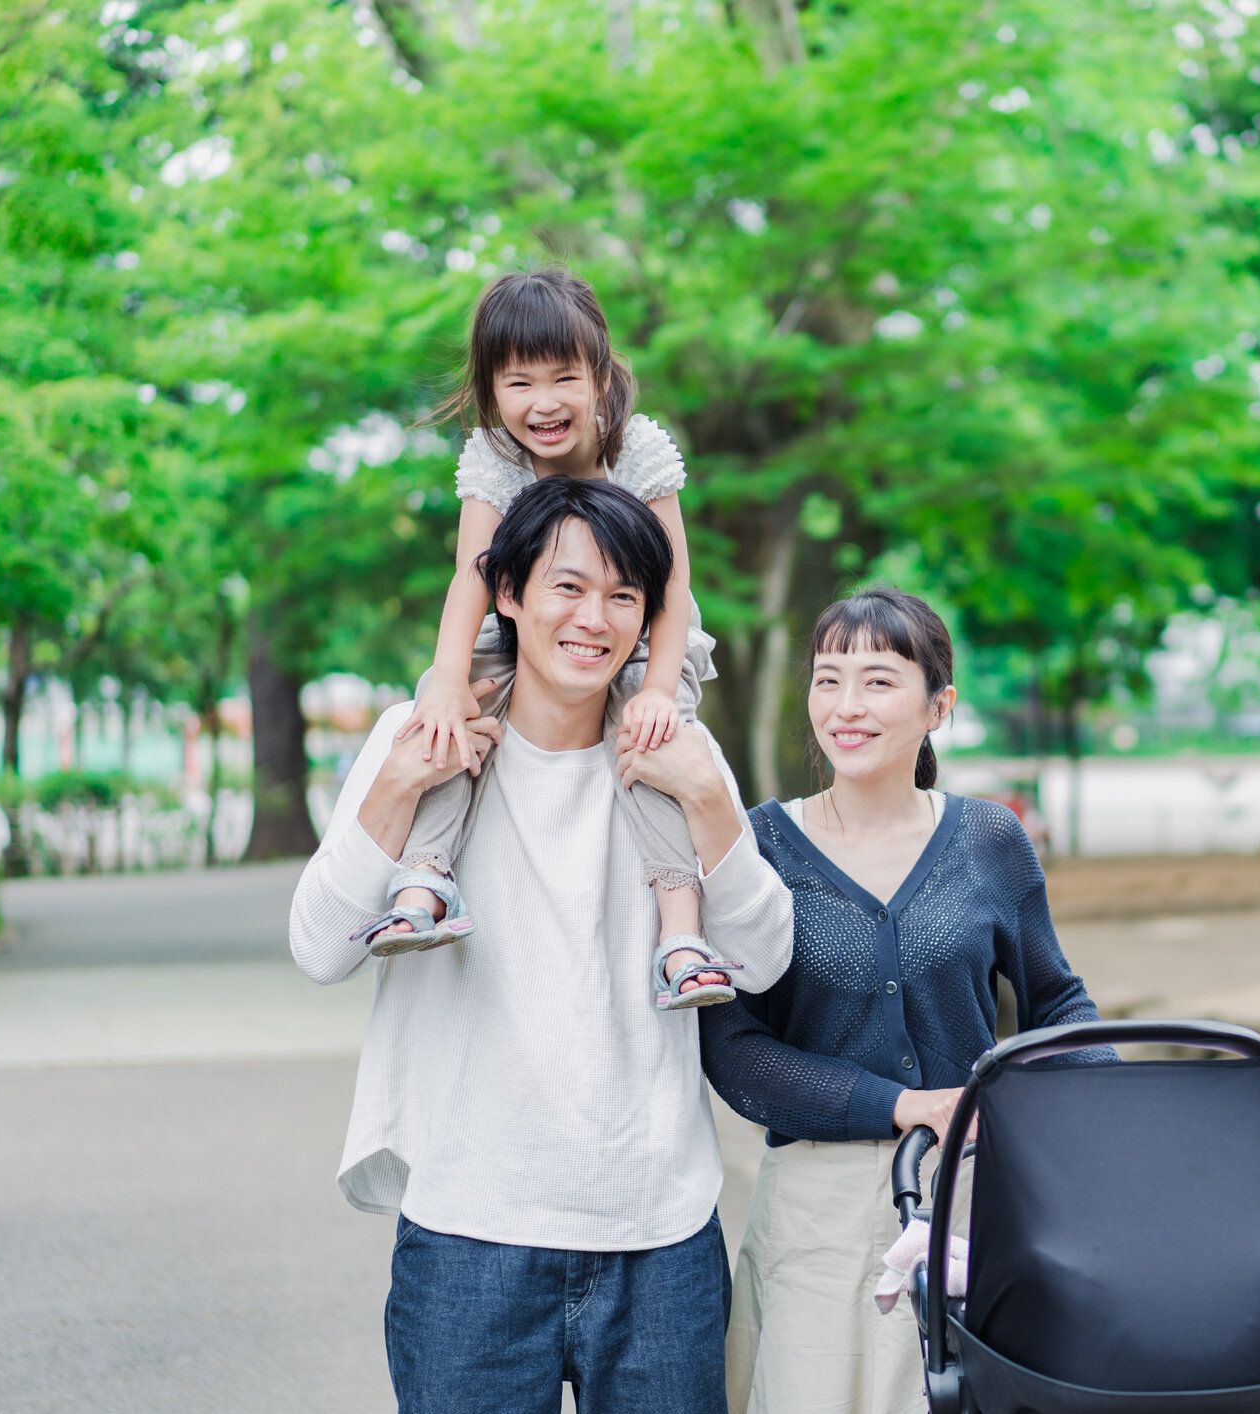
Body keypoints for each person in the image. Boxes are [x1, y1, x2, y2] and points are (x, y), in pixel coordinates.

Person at [288, 477, 794, 1412]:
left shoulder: (677, 747)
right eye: (566, 587)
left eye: (622, 598)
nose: (593, 619)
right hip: (467, 1232)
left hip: (658, 1234)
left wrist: (712, 802)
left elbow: (760, 961)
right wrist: (397, 787)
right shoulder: (422, 738)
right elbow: (320, 947)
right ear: (508, 593)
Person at [701, 587, 1108, 1414]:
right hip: (817, 1219)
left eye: (879, 681)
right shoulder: (757, 847)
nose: (847, 706)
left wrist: (1096, 1110)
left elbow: (1057, 1002)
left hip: (972, 1198)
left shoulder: (990, 840)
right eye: (827, 679)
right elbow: (734, 1052)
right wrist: (902, 1104)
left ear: (938, 705)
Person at [356, 264, 733, 1011]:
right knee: (455, 718)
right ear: (491, 388)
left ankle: (680, 931)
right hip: (525, 629)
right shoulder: (495, 458)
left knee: (649, 740)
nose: (544, 403)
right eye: (518, 383)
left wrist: (658, 685)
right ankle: (424, 877)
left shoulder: (638, 449)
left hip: (646, 634)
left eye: (564, 377)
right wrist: (445, 678)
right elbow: (473, 576)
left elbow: (673, 584)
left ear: (599, 373)